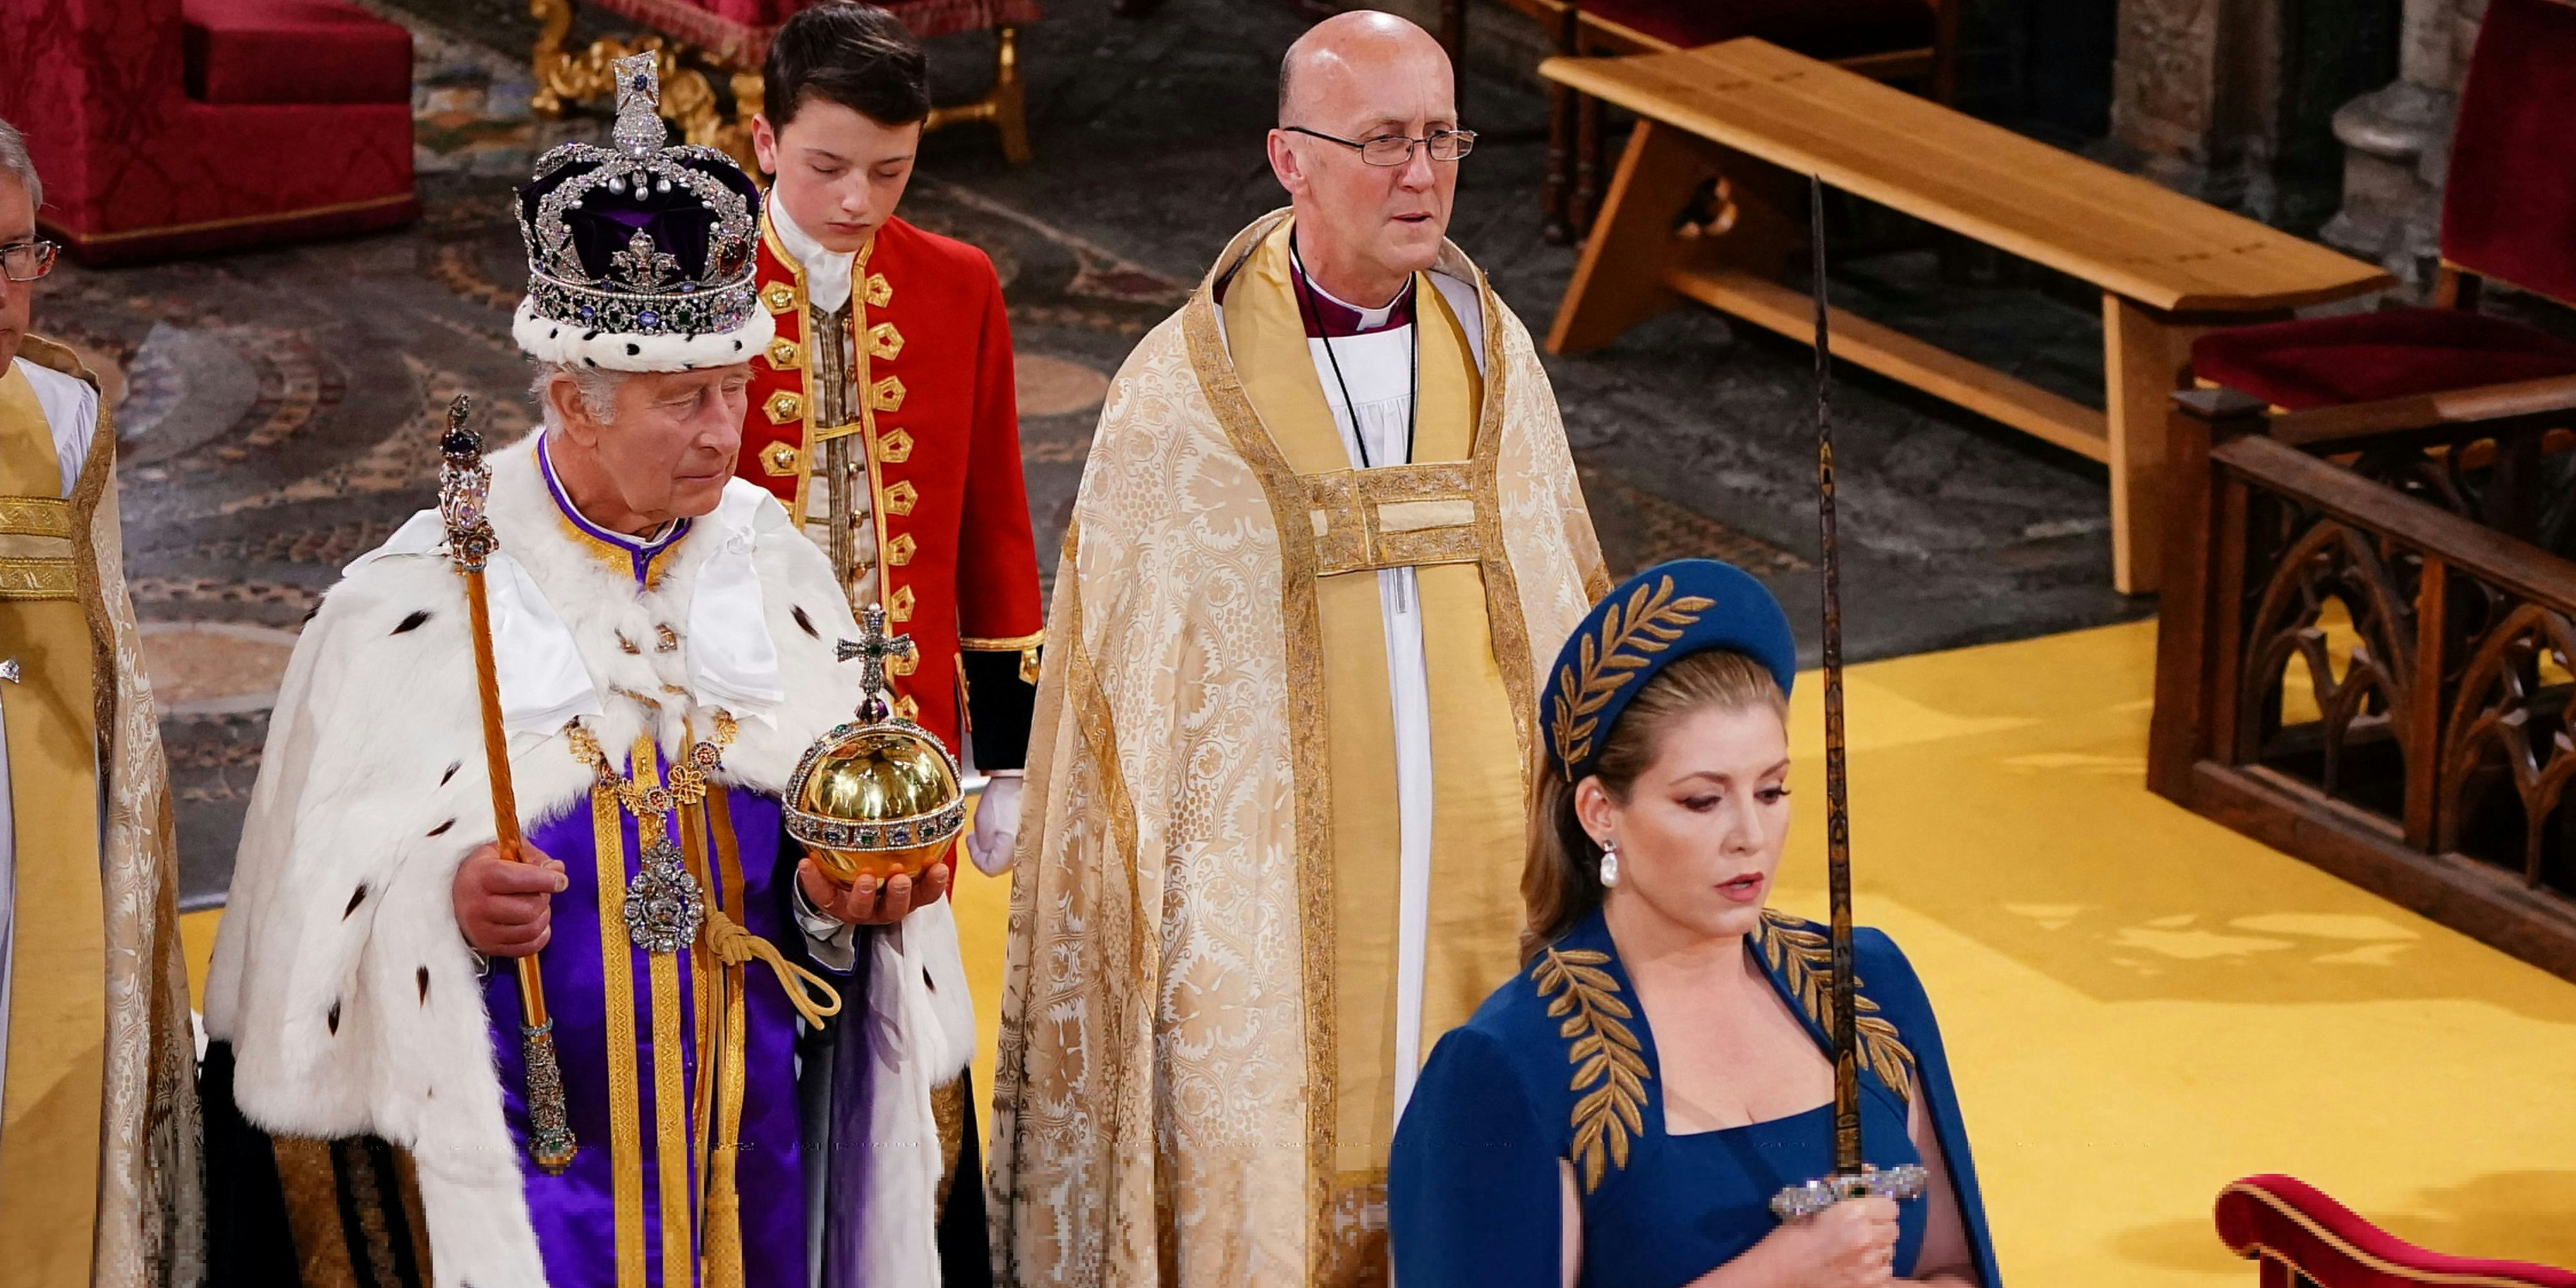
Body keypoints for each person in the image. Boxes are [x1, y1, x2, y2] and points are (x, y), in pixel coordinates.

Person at [200, 62, 961, 1288]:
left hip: (753, 1147)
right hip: (532, 1169)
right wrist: (444, 906)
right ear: (575, 401)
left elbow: (825, 919)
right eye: (683, 402)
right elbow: (319, 949)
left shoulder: (778, 574)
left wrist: (832, 901)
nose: (726, 431)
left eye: (734, 389)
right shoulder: (411, 608)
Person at [986, 12, 1609, 1285]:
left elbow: (1562, 626)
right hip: (1261, 931)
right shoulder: (1182, 394)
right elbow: (1128, 697)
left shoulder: (1499, 365)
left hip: (1486, 903)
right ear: (1288, 158)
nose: (1421, 172)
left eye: (1440, 136)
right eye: (1381, 139)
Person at [1386, 560, 2003, 1288]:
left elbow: (1954, 1269)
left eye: (1772, 790)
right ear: (1599, 812)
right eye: (1702, 801)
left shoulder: (1864, 981)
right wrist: (1780, 1273)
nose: (1750, 834)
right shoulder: (1507, 1067)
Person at [736, 6, 1041, 1280]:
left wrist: (1011, 756)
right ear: (762, 140)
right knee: (755, 1035)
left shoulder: (958, 285)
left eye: (891, 171)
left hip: (905, 760)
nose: (858, 199)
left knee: (908, 1040)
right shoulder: (690, 291)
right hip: (738, 752)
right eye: (827, 166)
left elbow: (993, 534)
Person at [0, 117, 203, 1288]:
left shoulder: (64, 412)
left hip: (41, 851)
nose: (13, 298)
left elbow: (107, 660)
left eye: (22, 254)